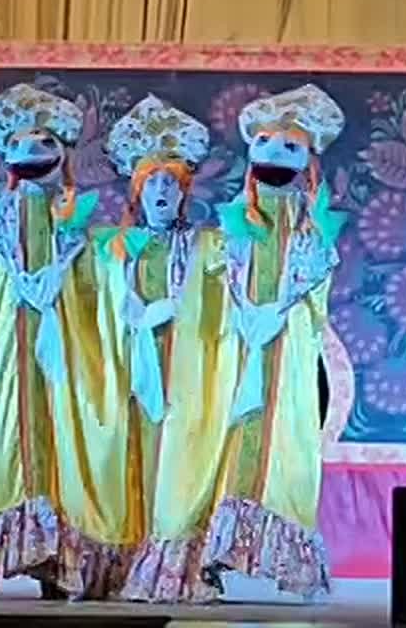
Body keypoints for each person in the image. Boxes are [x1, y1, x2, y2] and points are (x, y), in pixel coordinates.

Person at [0, 83, 126, 598]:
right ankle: (23, 549)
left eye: (45, 142)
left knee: (65, 429)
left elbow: (87, 283)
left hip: (64, 340)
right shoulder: (5, 213)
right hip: (16, 342)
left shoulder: (72, 215)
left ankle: (62, 557)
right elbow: (4, 281)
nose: (33, 151)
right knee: (14, 432)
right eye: (21, 144)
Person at [200, 83, 347, 599]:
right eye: (264, 142)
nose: (274, 153)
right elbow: (219, 283)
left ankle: (287, 558)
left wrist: (277, 312)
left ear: (308, 159)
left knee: (285, 443)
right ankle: (219, 550)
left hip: (290, 351)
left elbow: (313, 287)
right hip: (240, 348)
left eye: (289, 146)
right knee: (232, 442)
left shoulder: (312, 226)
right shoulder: (237, 222)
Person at [92, 96, 232, 603]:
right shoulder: (112, 248)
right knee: (127, 456)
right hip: (129, 372)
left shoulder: (205, 245)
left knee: (179, 460)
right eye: (151, 183)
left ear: (185, 192)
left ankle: (176, 562)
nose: (161, 192)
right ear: (136, 189)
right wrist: (132, 312)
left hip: (185, 376)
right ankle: (124, 558)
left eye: (171, 183)